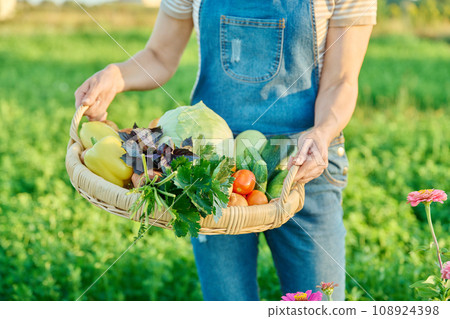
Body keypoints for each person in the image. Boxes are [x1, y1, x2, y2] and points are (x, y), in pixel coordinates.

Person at [75, 0, 377, 301]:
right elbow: (159, 55)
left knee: (318, 303)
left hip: (304, 165)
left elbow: (342, 80)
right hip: (210, 172)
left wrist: (323, 131)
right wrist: (116, 75)